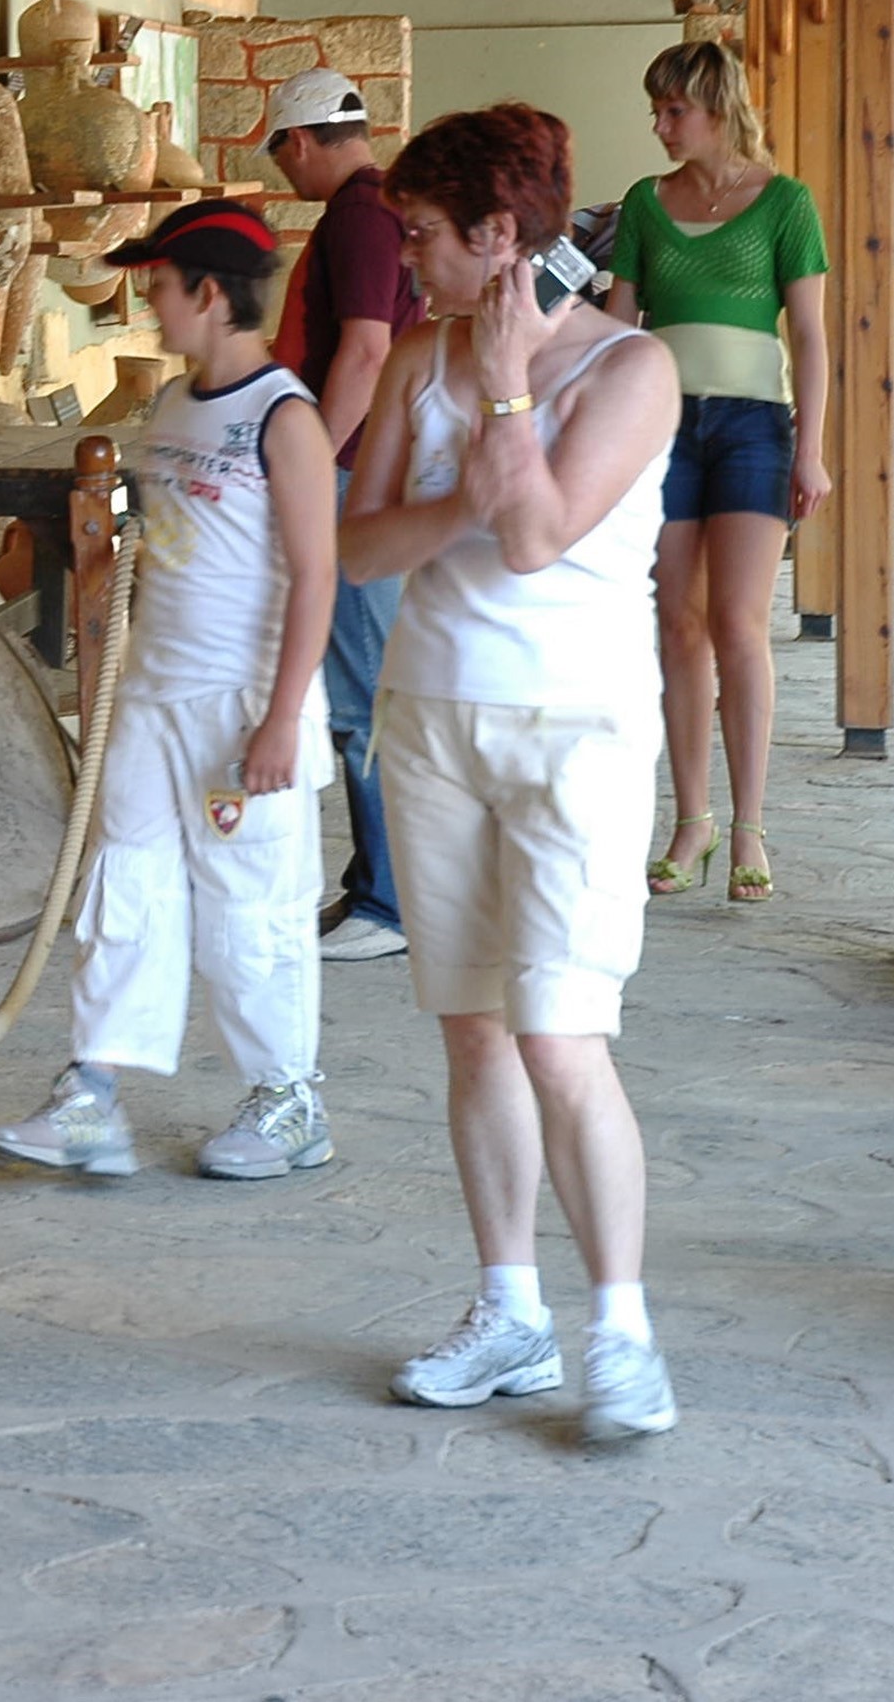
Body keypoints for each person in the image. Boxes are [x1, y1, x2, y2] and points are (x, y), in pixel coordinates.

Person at [339, 103, 684, 1440]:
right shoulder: (416, 355)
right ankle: (509, 1310)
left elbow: (535, 537)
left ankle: (622, 1327)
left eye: (422, 235)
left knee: (557, 1031)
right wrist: (456, 501)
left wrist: (500, 388)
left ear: (497, 235)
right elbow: (363, 546)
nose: (406, 261)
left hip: (576, 732)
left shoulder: (630, 371)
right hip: (431, 718)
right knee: (472, 1024)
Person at [0, 201, 339, 1182]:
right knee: (125, 884)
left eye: (161, 287)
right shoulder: (177, 404)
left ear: (211, 294)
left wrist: (279, 717)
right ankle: (94, 1094)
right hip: (155, 695)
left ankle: (288, 1098)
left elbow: (317, 574)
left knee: (250, 906)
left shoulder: (285, 417)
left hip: (243, 703)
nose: (151, 304)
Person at [606, 41, 832, 903]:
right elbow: (620, 330)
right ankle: (691, 821)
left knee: (739, 623)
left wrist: (810, 447)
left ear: (716, 107)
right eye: (657, 109)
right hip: (660, 427)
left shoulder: (785, 202)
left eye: (673, 110)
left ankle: (749, 828)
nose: (660, 125)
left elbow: (808, 335)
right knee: (678, 624)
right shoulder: (643, 203)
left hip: (753, 429)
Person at [263, 68, 422, 965]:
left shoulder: (358, 214)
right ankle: (380, 886)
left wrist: (310, 461)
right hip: (362, 469)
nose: (286, 170)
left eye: (281, 154)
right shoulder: (374, 208)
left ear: (298, 141)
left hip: (350, 474)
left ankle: (389, 903)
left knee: (364, 693)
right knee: (363, 686)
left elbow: (364, 348)